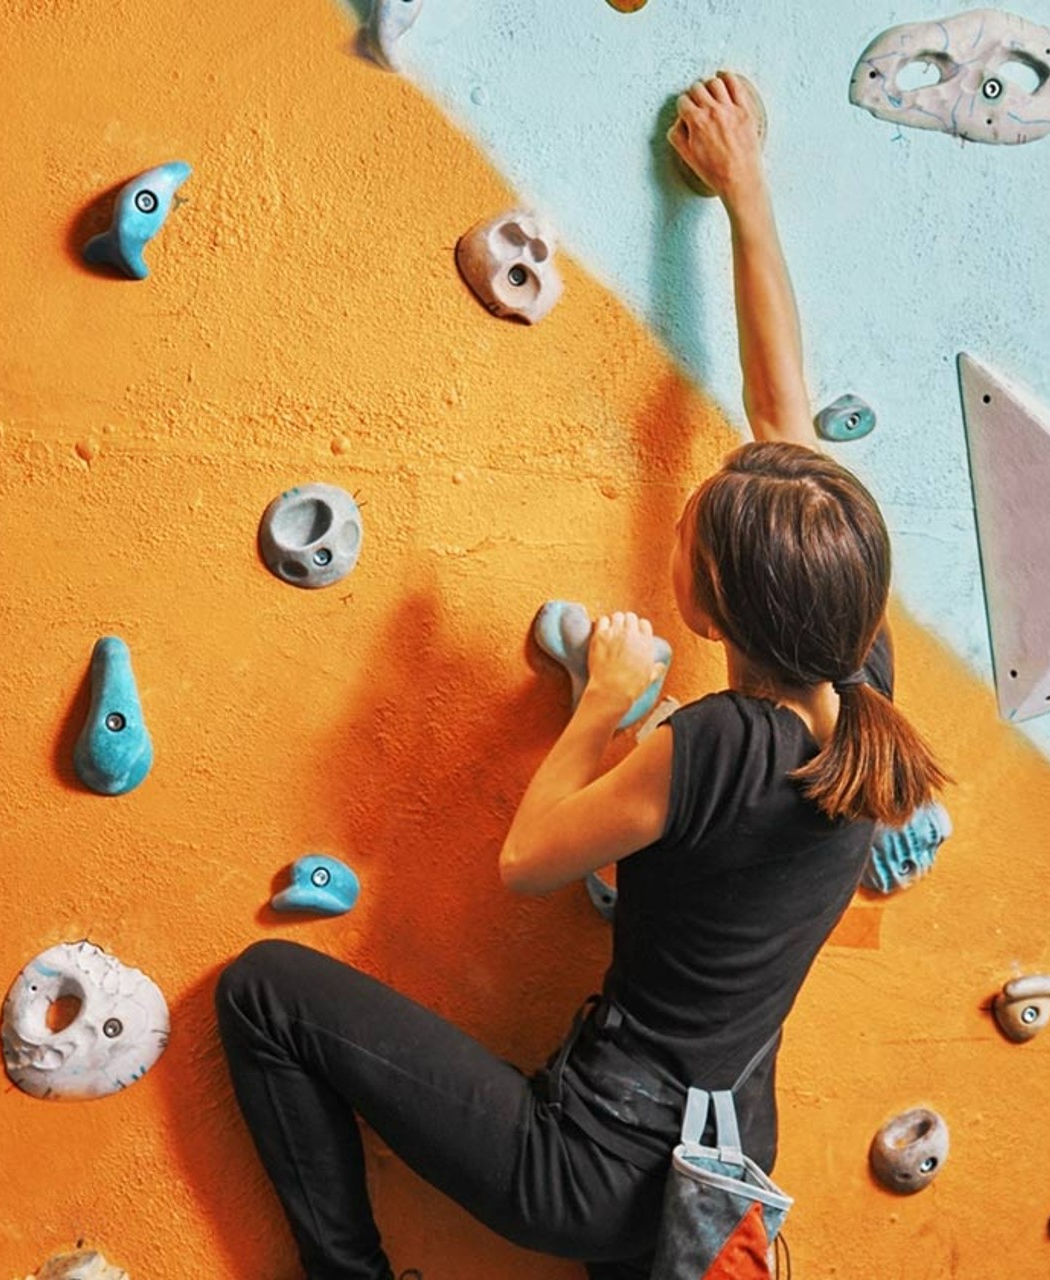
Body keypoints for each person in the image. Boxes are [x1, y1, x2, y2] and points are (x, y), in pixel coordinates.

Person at [215, 71, 947, 1280]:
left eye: (690, 536)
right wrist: (742, 193)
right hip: (715, 1168)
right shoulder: (862, 691)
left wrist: (606, 704)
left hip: (592, 1164)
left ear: (710, 603)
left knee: (266, 992)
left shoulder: (711, 743)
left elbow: (530, 857)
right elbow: (786, 413)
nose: (677, 534)